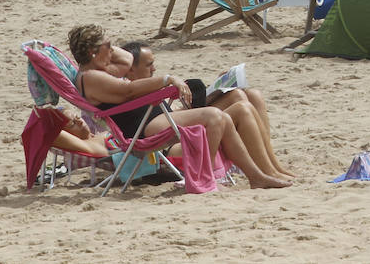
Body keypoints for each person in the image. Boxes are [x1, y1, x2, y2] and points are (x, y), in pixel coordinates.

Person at [67, 25, 290, 189]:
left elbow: (126, 59)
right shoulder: (91, 77)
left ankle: (257, 175)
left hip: (151, 118)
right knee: (214, 116)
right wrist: (167, 80)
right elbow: (129, 91)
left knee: (232, 112)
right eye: (107, 46)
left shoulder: (98, 70)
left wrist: (103, 45)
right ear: (93, 52)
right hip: (144, 127)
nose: (112, 50)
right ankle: (204, 178)